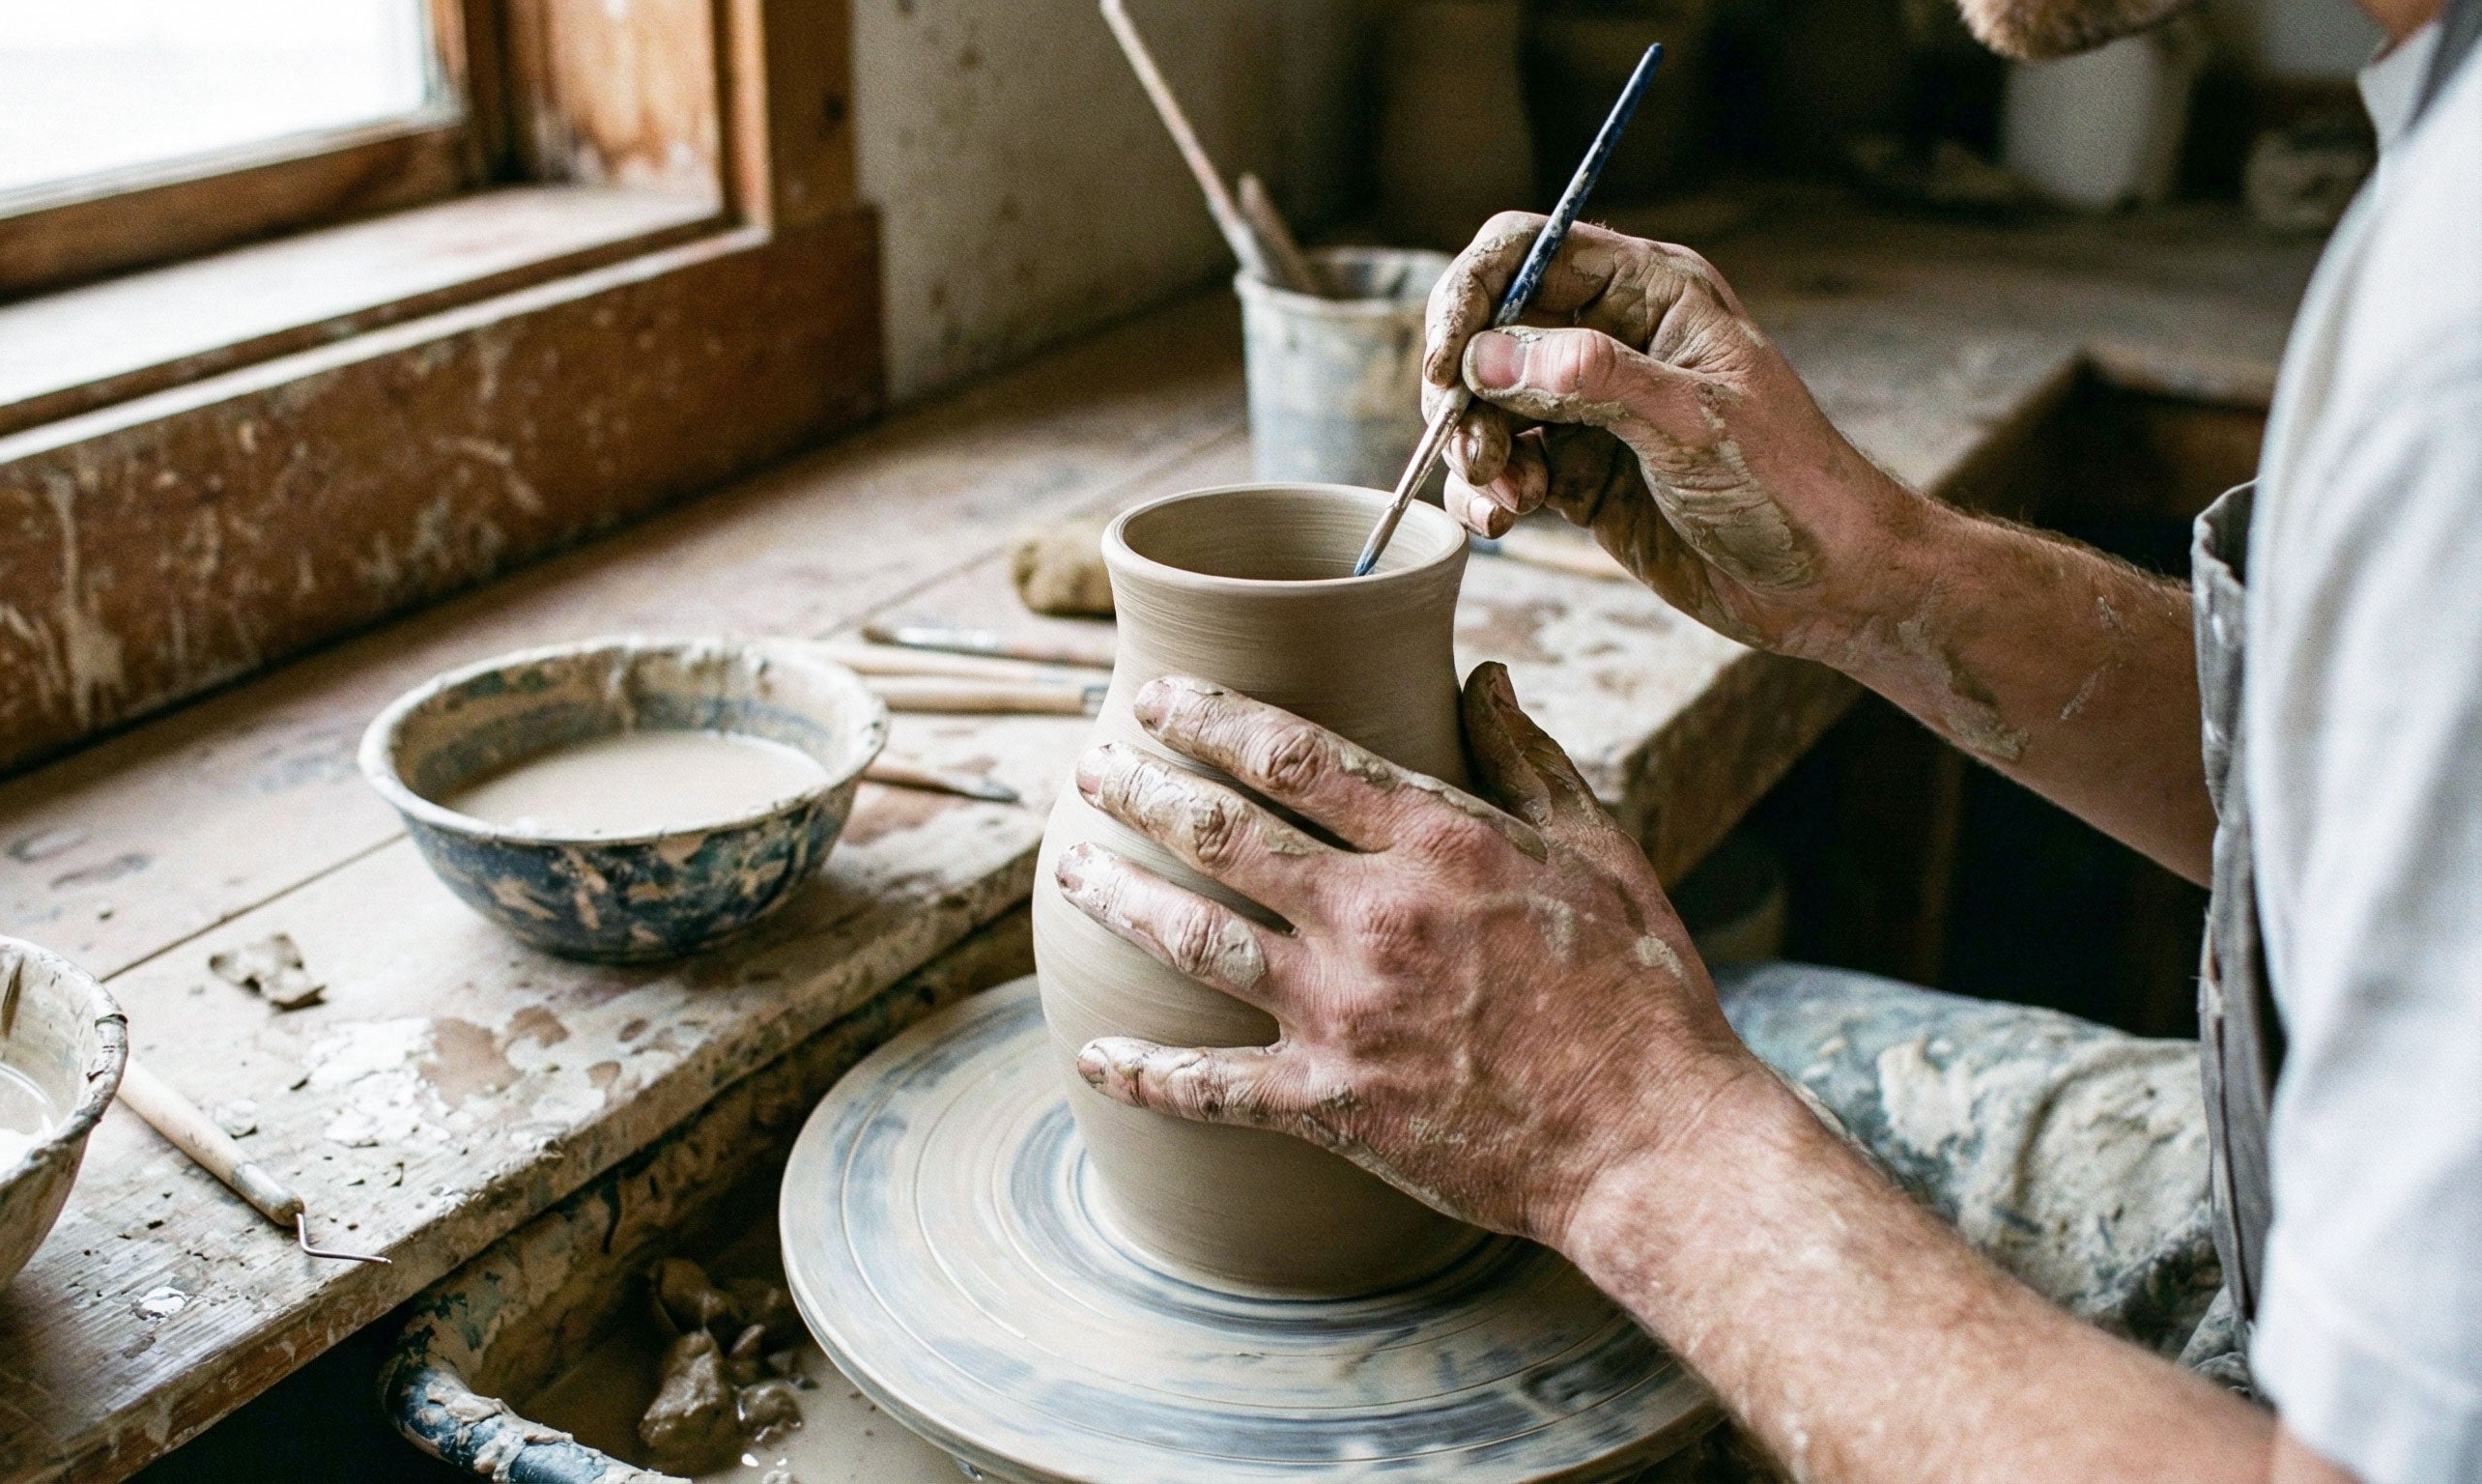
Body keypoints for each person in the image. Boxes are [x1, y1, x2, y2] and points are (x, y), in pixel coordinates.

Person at [1041, 0, 2480, 1475]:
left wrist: (1622, 1136)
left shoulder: (2455, 338)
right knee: (1747, 1024)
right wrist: (1884, 577)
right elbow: (2397, 812)